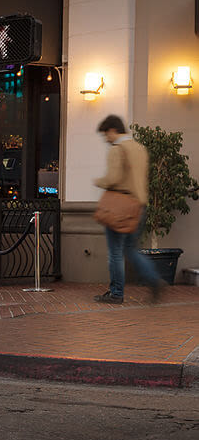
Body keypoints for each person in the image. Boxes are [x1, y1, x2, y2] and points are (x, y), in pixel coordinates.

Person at [93, 115, 164, 304]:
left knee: (115, 252)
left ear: (112, 130)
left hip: (119, 207)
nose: (106, 139)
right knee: (131, 249)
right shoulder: (140, 149)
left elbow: (113, 178)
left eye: (106, 135)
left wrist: (99, 181)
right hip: (139, 206)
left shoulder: (117, 149)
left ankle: (116, 293)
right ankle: (153, 279)